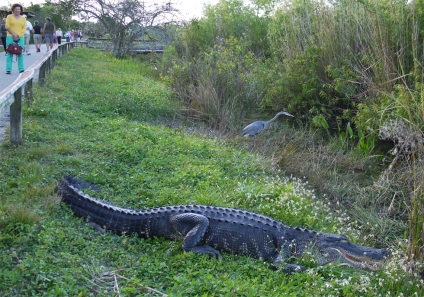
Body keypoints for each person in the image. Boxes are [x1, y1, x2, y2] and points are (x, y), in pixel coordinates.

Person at [5, 3, 26, 74]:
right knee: (9, 52)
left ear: (20, 10)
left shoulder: (23, 18)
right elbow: (7, 26)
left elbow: (24, 28)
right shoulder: (9, 16)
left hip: (20, 37)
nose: (17, 10)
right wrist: (14, 34)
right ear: (13, 9)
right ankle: (8, 69)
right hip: (10, 36)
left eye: (19, 9)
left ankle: (21, 69)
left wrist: (18, 35)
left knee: (20, 53)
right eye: (16, 9)